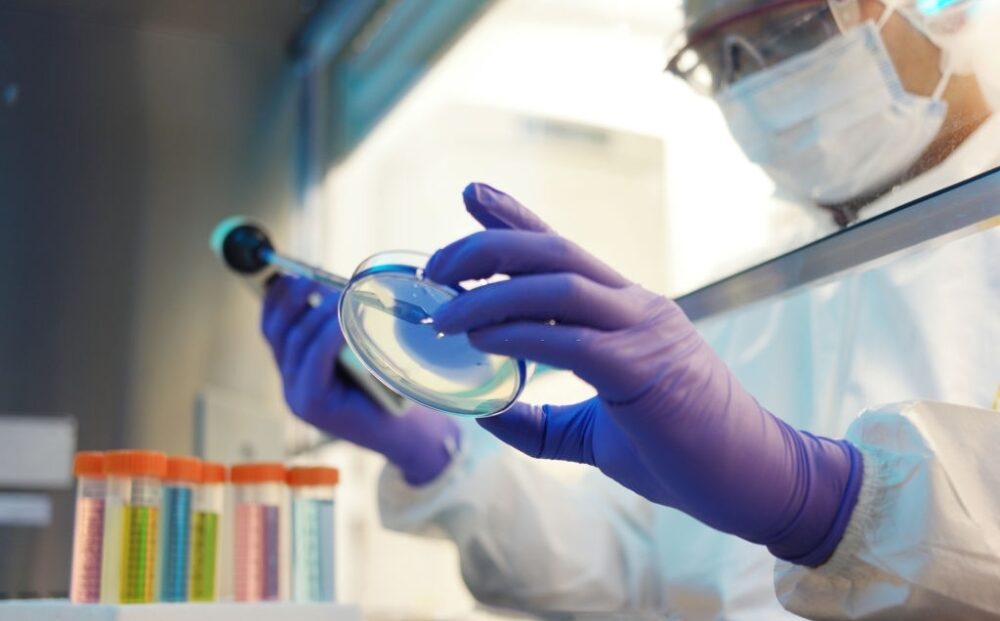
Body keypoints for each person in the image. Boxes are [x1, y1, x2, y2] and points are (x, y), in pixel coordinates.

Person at [261, 0, 1000, 617]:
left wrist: (828, 503)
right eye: (720, 62)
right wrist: (438, 456)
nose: (756, 81)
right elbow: (631, 571)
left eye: (789, 28)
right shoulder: (750, 287)